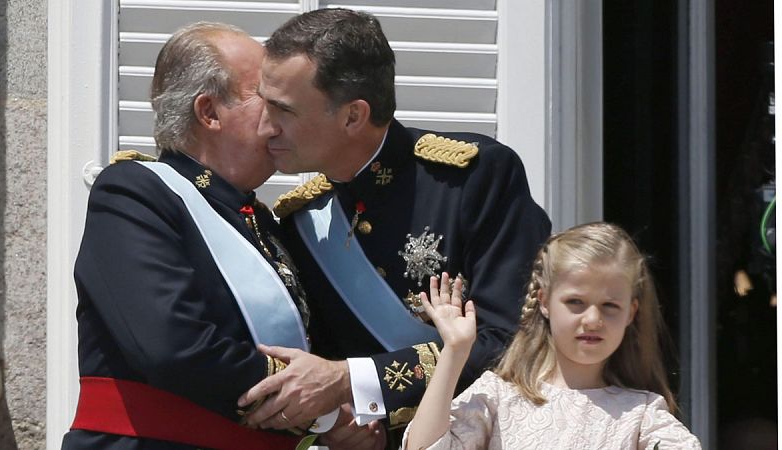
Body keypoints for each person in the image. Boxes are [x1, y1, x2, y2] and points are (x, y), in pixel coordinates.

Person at [238, 7, 551, 446]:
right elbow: (322, 365)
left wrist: (352, 381)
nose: (264, 127)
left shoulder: (473, 179)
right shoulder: (304, 220)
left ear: (353, 116)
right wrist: (353, 425)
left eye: (282, 110)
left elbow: (514, 340)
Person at [60, 22, 378, 449]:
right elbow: (173, 348)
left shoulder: (263, 223)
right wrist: (321, 405)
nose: (284, 115)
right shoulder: (135, 193)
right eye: (266, 98)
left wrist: (346, 401)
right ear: (209, 112)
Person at [403, 222, 702, 449]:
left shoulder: (642, 414)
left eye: (610, 306)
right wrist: (455, 351)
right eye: (576, 302)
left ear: (631, 313)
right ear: (544, 302)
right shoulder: (497, 397)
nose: (593, 320)